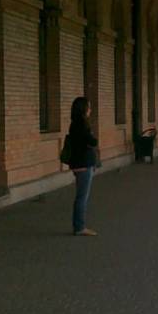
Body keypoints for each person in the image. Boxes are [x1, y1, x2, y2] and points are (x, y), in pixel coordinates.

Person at [67, 96, 99, 236]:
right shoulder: (82, 124)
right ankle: (79, 227)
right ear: (83, 109)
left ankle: (78, 226)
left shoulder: (74, 124)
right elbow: (92, 141)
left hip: (79, 164)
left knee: (80, 196)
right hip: (83, 164)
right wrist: (93, 137)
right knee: (82, 197)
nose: (90, 110)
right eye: (88, 107)